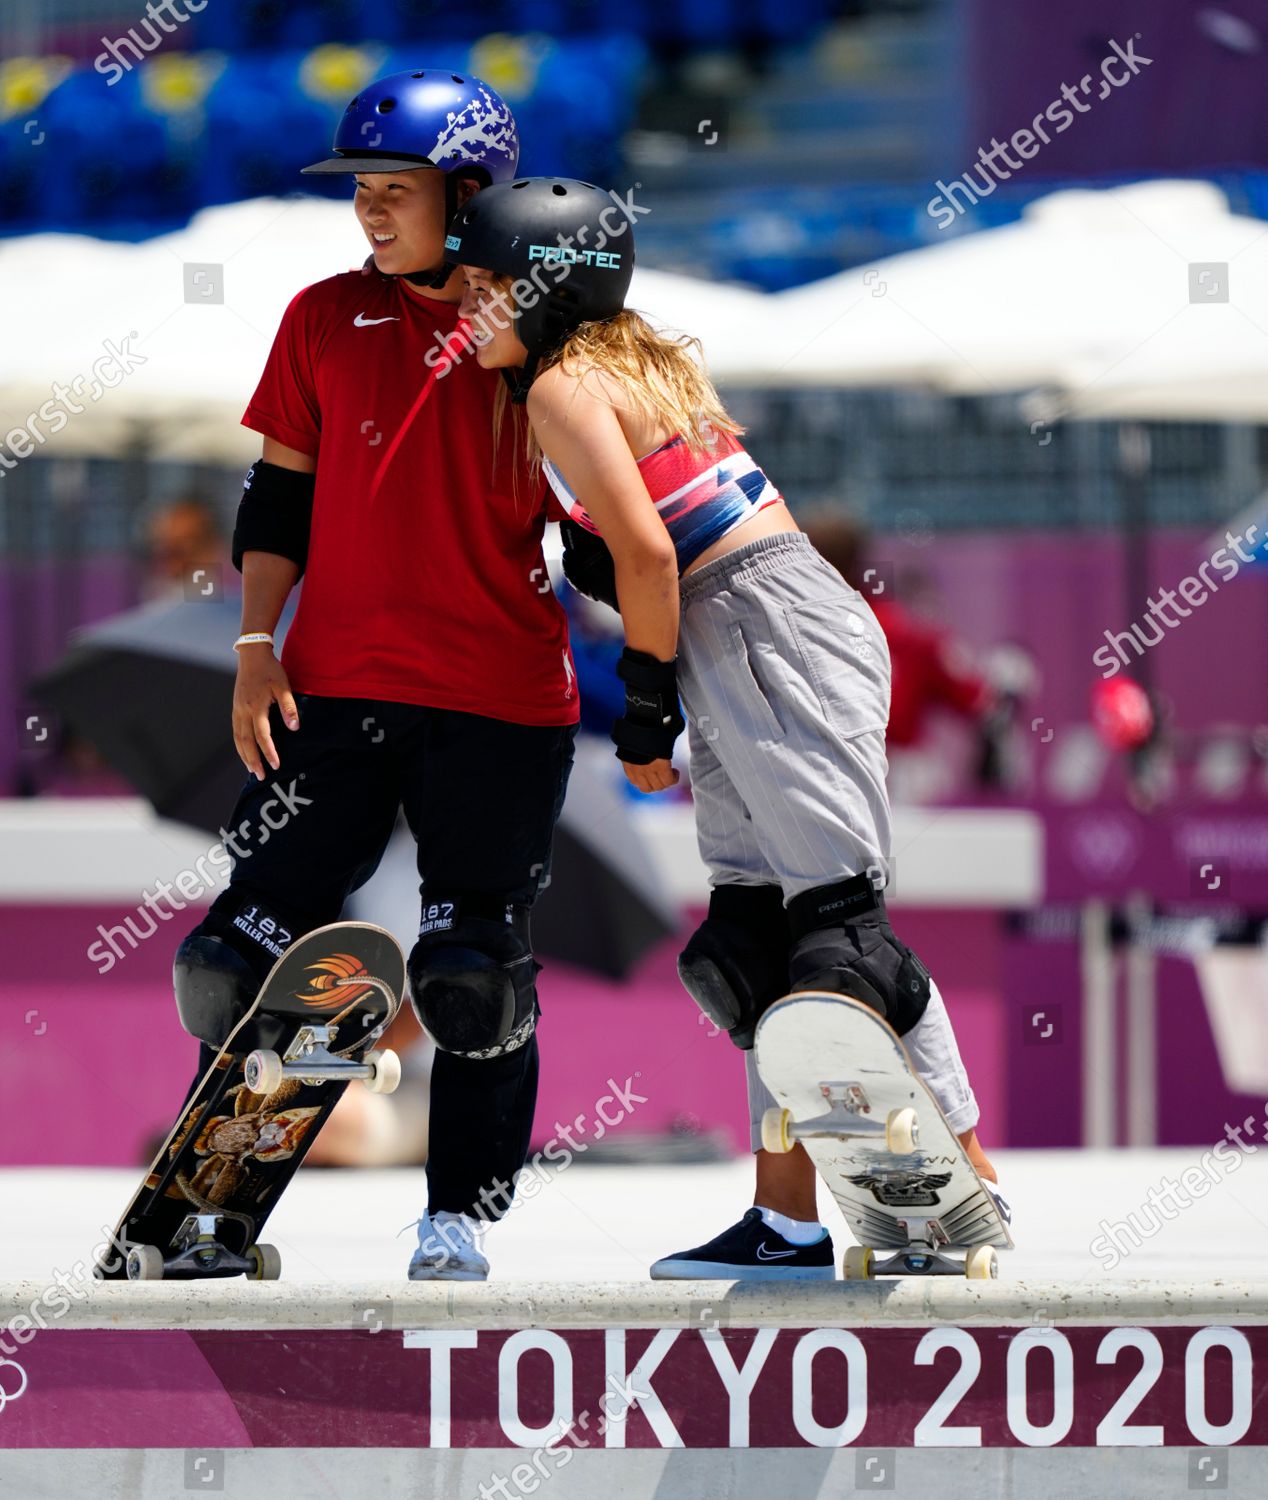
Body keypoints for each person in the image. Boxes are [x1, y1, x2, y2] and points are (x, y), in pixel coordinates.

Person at [448, 176, 1006, 1280]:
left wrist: (644, 713)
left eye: (483, 286)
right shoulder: (622, 360)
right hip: (742, 633)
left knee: (841, 933)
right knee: (752, 949)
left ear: (546, 292)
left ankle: (968, 1178)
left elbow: (655, 559)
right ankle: (785, 1221)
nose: (464, 308)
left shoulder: (561, 384)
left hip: (761, 627)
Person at [168, 73, 578, 1281]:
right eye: (358, 190)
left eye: (391, 191)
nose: (367, 212)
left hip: (497, 700)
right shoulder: (317, 318)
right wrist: (252, 647)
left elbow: (605, 507)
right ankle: (211, 1202)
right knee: (233, 961)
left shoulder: (537, 327)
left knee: (469, 977)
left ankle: (459, 1216)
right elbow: (278, 496)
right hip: (330, 691)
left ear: (467, 198)